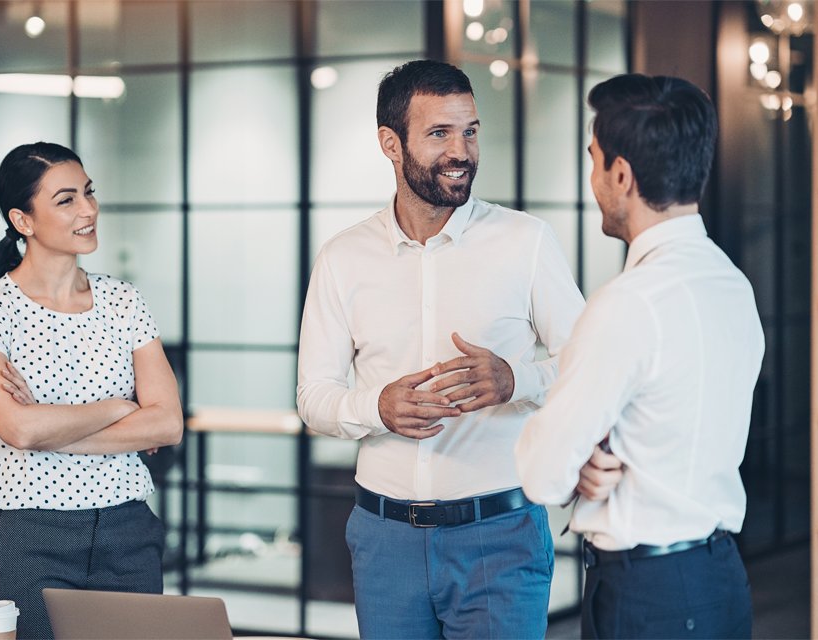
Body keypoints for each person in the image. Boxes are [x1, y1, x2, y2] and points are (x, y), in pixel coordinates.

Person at [297, 59, 589, 639]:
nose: (462, 151)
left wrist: (517, 381)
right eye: (439, 134)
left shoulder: (525, 242)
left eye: (471, 131)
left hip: (500, 537)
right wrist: (376, 408)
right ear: (390, 143)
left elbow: (590, 367)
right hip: (385, 541)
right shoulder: (342, 258)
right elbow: (314, 397)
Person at [515, 74, 764, 639]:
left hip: (649, 594)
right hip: (720, 578)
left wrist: (576, 458)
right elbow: (677, 417)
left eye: (594, 158)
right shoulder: (733, 285)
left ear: (621, 174)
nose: (593, 177)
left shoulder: (626, 304)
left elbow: (540, 473)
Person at [0, 142, 183, 639]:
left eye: (88, 193)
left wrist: (47, 425)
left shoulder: (124, 301)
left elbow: (167, 422)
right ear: (23, 220)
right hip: (28, 532)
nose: (88, 210)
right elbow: (15, 426)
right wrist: (120, 408)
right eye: (66, 200)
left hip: (128, 530)